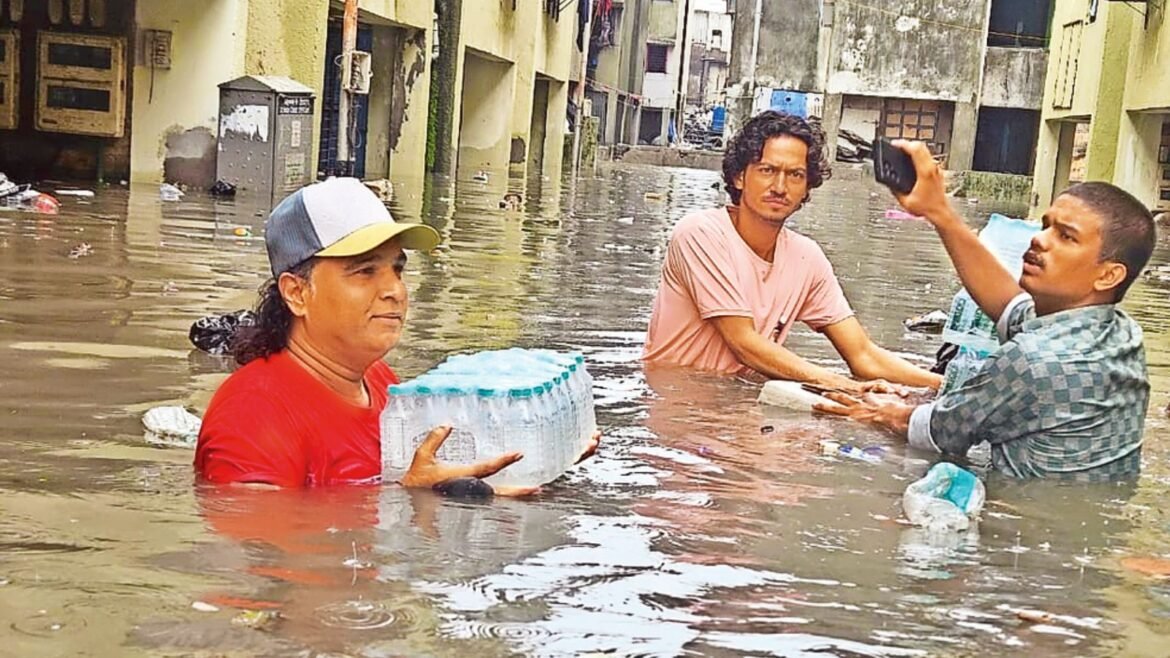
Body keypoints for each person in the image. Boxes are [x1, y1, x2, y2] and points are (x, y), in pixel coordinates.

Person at [195, 177, 598, 492]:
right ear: (297, 293)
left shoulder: (380, 381)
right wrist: (412, 499)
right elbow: (258, 552)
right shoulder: (253, 415)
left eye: (397, 270)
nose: (395, 291)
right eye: (365, 271)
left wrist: (531, 461)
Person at [817, 141, 1155, 481]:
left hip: (1022, 509)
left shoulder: (1031, 360)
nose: (1040, 240)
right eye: (1046, 226)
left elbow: (938, 432)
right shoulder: (1122, 334)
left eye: (1066, 237)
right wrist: (938, 211)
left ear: (1108, 275)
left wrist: (875, 412)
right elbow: (1009, 304)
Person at [643, 110, 942, 392]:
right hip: (676, 404)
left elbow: (863, 355)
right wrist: (843, 385)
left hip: (742, 403)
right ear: (739, 177)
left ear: (807, 187)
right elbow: (744, 344)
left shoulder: (806, 258)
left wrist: (945, 388)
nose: (780, 187)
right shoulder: (700, 234)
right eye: (767, 170)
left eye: (795, 175)